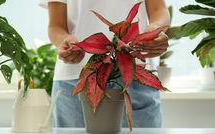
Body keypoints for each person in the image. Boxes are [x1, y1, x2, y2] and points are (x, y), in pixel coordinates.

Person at [40, 0, 170, 128]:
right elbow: (55, 26)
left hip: (134, 74)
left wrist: (155, 30)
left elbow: (158, 9)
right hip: (75, 76)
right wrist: (65, 40)